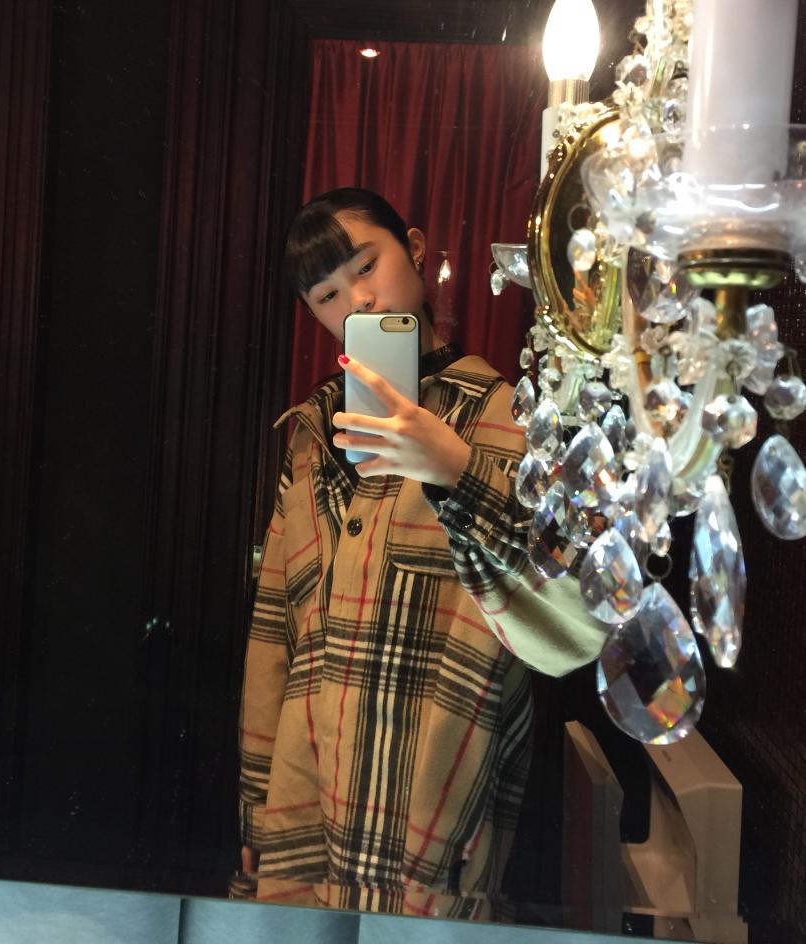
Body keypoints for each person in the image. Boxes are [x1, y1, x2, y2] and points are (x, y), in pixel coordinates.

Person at [231, 187, 606, 920]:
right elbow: (276, 627)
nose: (357, 301)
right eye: (327, 295)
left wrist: (456, 471)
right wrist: (255, 801)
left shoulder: (507, 417)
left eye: (366, 267)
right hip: (306, 811)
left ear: (416, 249)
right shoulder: (314, 436)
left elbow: (571, 630)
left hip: (433, 821)